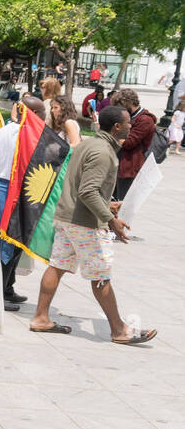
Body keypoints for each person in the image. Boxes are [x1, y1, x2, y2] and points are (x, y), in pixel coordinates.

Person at [29, 105, 156, 344]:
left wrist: (108, 204)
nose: (131, 126)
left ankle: (40, 317)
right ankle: (118, 329)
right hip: (85, 223)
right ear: (117, 127)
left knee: (57, 266)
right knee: (101, 275)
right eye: (128, 122)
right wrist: (111, 221)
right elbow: (88, 191)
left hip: (67, 217)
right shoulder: (104, 153)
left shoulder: (87, 143)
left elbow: (84, 186)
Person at [0, 96, 44, 311]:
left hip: (6, 186)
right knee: (8, 243)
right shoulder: (23, 133)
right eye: (41, 113)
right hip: (11, 189)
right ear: (32, 114)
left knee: (16, 242)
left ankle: (7, 287)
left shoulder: (7, 129)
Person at [112, 89, 156, 200]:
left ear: (130, 103)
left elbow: (128, 143)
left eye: (121, 106)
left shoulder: (145, 120)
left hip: (130, 167)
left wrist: (113, 135)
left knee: (123, 202)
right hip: (119, 163)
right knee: (112, 200)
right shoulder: (131, 117)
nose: (119, 110)